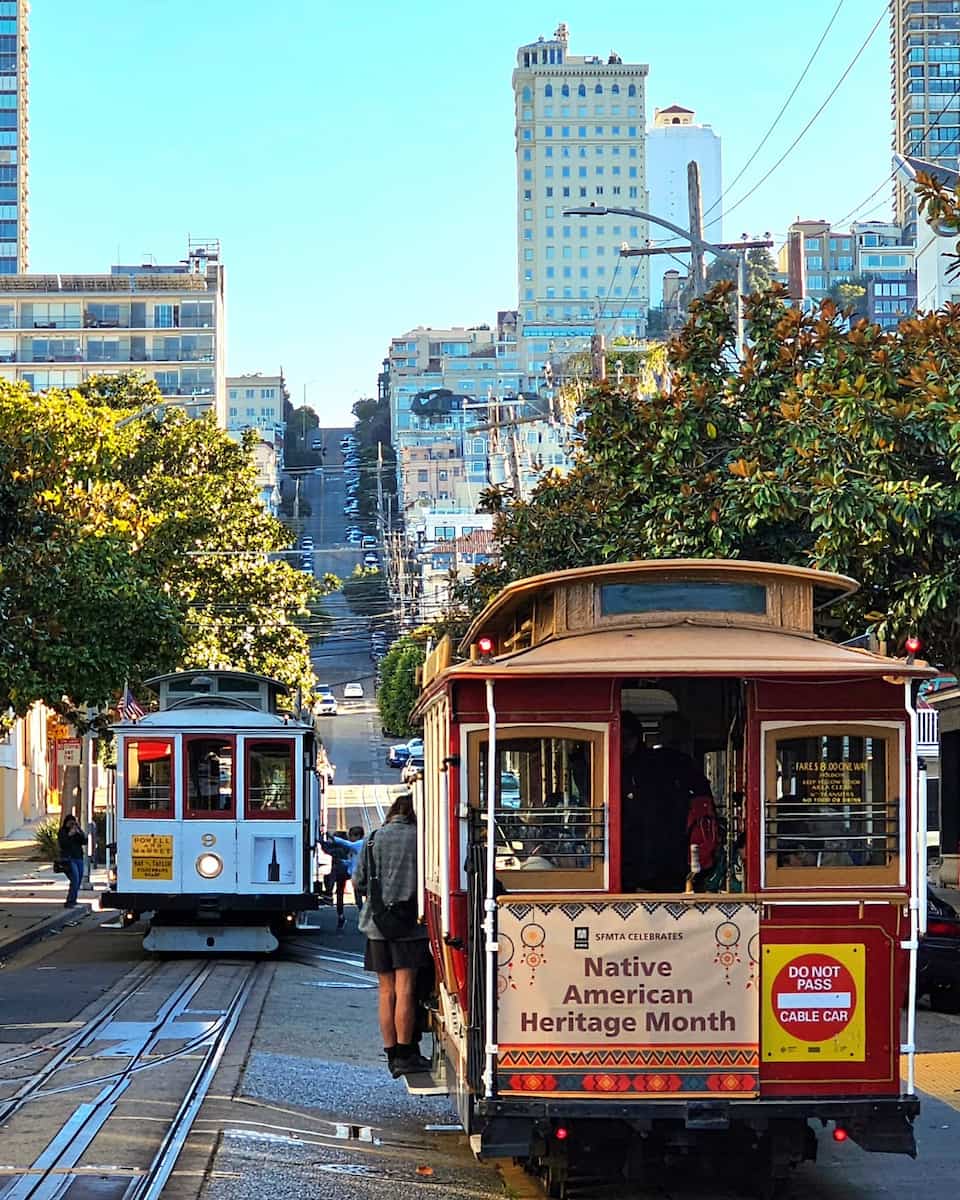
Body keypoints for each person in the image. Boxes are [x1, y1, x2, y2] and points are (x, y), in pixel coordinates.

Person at [352, 793, 432, 1078]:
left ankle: (390, 1054)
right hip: (410, 926)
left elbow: (359, 881)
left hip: (377, 925)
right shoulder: (421, 838)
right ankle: (405, 1053)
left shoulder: (373, 838)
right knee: (406, 989)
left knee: (386, 991)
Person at [620, 711, 713, 893]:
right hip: (660, 861)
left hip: (653, 861)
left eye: (626, 738)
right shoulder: (677, 763)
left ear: (638, 738)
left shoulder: (649, 766)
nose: (621, 745)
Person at [58, 814, 85, 908]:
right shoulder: (62, 831)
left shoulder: (77, 831)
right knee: (75, 879)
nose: (72, 825)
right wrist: (69, 834)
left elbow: (84, 841)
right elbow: (63, 844)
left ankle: (74, 899)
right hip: (69, 858)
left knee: (79, 879)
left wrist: (79, 831)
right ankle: (70, 901)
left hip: (78, 858)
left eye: (73, 823)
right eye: (70, 823)